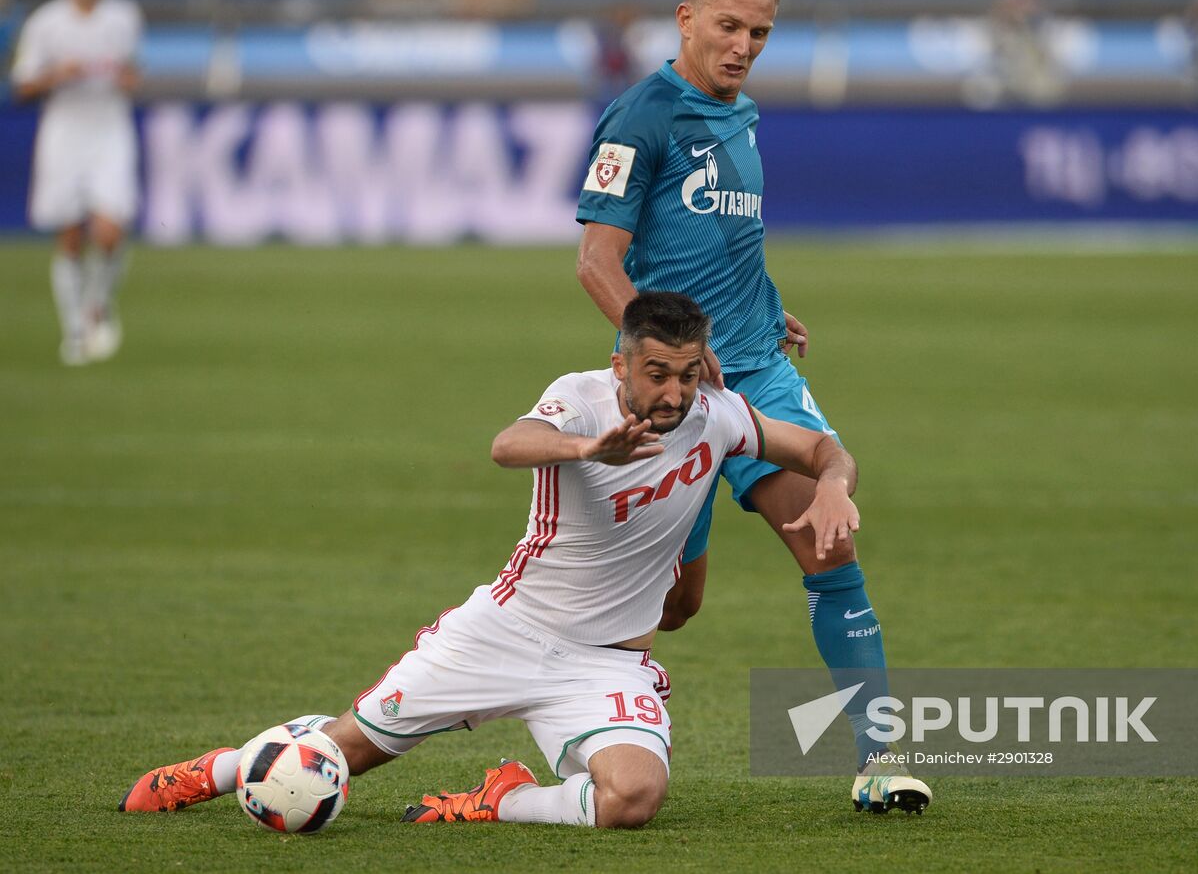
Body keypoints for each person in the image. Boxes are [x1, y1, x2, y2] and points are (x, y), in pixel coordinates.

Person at [118, 292, 924, 828]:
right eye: (654, 373)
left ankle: (502, 798)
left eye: (685, 373)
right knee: (343, 753)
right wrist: (588, 449)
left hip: (604, 661)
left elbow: (821, 447)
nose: (672, 393)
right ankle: (219, 768)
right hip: (505, 628)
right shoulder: (579, 396)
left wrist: (835, 486)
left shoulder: (719, 416)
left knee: (635, 798)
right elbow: (509, 444)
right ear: (621, 363)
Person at [574, 0, 926, 812]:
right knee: (674, 605)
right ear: (687, 18)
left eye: (760, 32)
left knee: (825, 541)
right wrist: (674, 354)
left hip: (757, 374)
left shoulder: (743, 113)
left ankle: (881, 760)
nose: (743, 45)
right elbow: (596, 263)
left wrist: (769, 306)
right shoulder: (639, 118)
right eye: (728, 25)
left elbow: (728, 239)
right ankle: (590, 721)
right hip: (675, 394)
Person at [10, 0, 142, 366]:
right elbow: (22, 87)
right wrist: (55, 76)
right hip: (64, 130)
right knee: (68, 234)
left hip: (109, 129)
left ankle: (96, 305)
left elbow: (133, 72)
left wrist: (128, 78)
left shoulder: (124, 17)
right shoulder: (45, 23)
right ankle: (74, 330)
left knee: (108, 231)